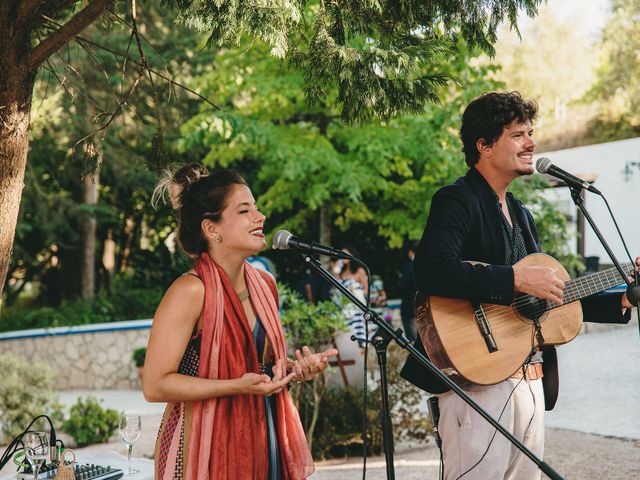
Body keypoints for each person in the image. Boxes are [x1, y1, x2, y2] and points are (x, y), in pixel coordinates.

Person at [400, 91, 639, 480]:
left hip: (529, 378)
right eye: (518, 135)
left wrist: (626, 297)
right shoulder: (456, 200)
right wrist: (514, 278)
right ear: (484, 145)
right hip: (477, 380)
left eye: (531, 132)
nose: (531, 143)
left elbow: (548, 300)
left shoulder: (522, 215)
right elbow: (431, 271)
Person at [143, 164, 337, 480]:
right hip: (199, 447)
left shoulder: (265, 284)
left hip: (263, 435)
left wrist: (294, 370)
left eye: (256, 208)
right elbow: (155, 385)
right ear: (212, 228)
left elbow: (259, 369)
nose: (260, 217)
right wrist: (235, 386)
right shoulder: (189, 291)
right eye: (245, 210)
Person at [398, 240, 419, 341]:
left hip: (409, 308)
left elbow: (402, 287)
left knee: (412, 339)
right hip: (423, 308)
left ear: (410, 252)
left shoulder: (409, 266)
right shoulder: (426, 266)